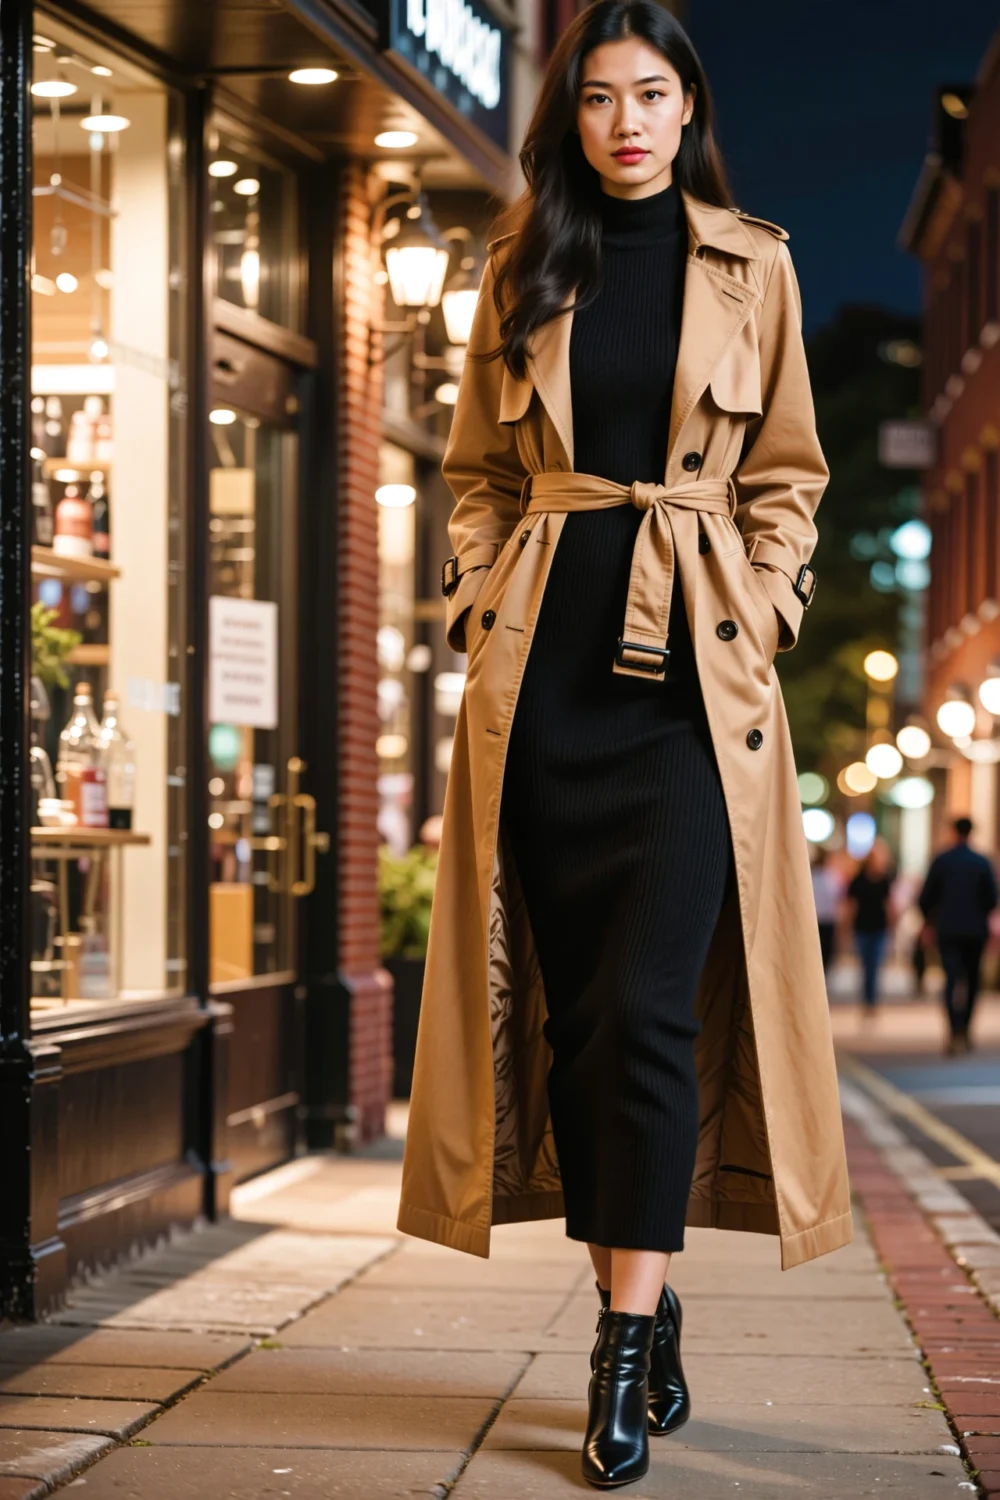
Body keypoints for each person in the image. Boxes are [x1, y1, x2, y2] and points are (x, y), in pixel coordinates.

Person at [397, 3, 852, 1489]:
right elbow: (473, 472)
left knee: (650, 1010)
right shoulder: (520, 261)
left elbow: (789, 474)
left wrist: (771, 606)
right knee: (583, 1025)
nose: (628, 123)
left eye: (652, 95)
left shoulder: (756, 265)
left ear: (689, 104)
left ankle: (612, 1351)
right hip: (544, 698)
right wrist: (477, 596)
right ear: (569, 118)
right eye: (599, 100)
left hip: (690, 706)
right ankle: (645, 1315)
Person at [919, 816, 998, 1054]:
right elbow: (992, 899)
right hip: (975, 930)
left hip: (948, 929)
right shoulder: (982, 862)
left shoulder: (942, 860)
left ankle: (953, 1029)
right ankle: (966, 1027)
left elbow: (926, 897)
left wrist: (929, 921)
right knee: (973, 980)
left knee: (951, 979)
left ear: (954, 832)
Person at [847, 843, 895, 1011]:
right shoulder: (858, 880)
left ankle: (871, 999)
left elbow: (889, 905)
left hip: (879, 927)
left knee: (875, 963)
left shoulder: (883, 880)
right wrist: (846, 926)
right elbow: (851, 905)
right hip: (862, 927)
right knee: (865, 964)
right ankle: (867, 997)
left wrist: (892, 924)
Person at [811, 848, 841, 973]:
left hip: (828, 919)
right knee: (817, 951)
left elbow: (837, 898)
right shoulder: (813, 876)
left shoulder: (832, 876)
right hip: (817, 919)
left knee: (828, 951)